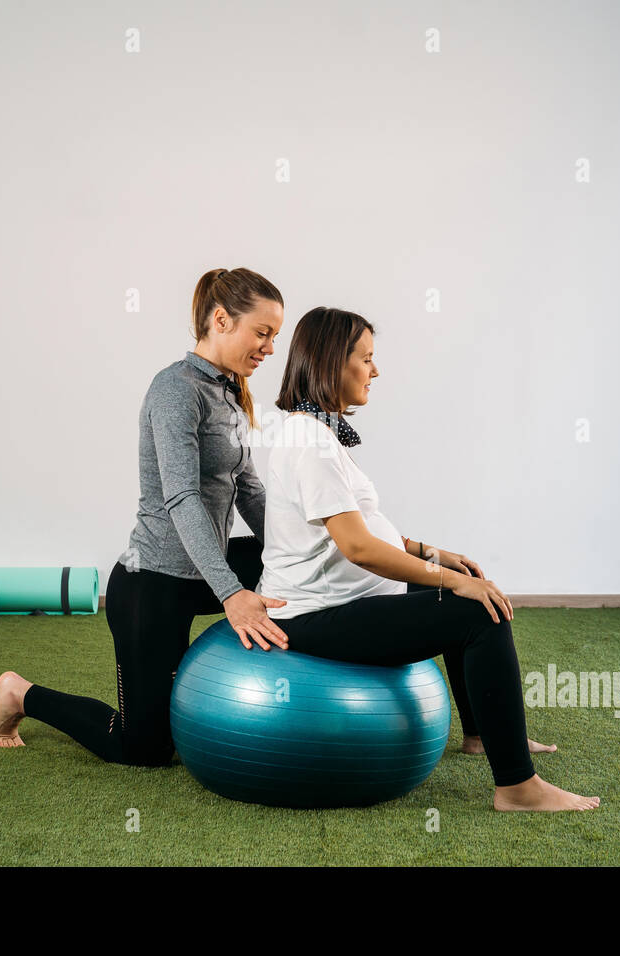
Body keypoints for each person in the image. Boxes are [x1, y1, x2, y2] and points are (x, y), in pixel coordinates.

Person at [254, 306, 600, 811]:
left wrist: (438, 556)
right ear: (332, 362)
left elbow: (363, 526)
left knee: (461, 585)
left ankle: (483, 734)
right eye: (366, 359)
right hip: (317, 616)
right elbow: (358, 547)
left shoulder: (316, 433)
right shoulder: (310, 442)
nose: (376, 372)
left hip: (347, 595)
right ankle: (518, 788)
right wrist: (450, 582)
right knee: (475, 611)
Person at [0, 267, 289, 764]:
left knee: (297, 563)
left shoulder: (229, 391)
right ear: (220, 319)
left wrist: (296, 548)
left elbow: (247, 488)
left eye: (274, 336)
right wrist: (233, 592)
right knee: (144, 748)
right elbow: (182, 498)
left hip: (204, 572)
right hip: (154, 584)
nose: (270, 348)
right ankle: (21, 693)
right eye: (263, 333)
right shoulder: (176, 388)